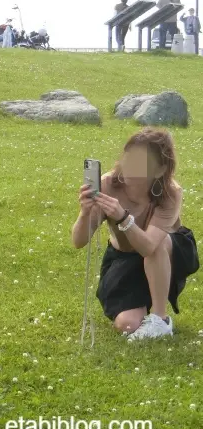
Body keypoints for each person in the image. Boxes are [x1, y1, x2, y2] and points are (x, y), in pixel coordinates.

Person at [72, 128, 199, 341]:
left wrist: (123, 218)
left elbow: (149, 246)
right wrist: (85, 213)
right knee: (127, 325)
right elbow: (78, 241)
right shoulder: (107, 184)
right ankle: (144, 304)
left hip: (167, 251)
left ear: (159, 171)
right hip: (124, 256)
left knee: (157, 245)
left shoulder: (170, 192)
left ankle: (160, 319)